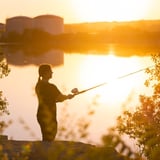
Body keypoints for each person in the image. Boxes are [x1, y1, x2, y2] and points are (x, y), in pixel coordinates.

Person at [35, 64, 74, 141]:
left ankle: (44, 151)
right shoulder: (51, 87)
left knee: (46, 138)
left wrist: (66, 97)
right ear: (46, 73)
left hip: (40, 115)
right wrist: (68, 97)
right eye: (50, 71)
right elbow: (60, 98)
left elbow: (54, 99)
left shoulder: (38, 85)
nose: (52, 73)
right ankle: (46, 152)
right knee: (50, 138)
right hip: (49, 116)